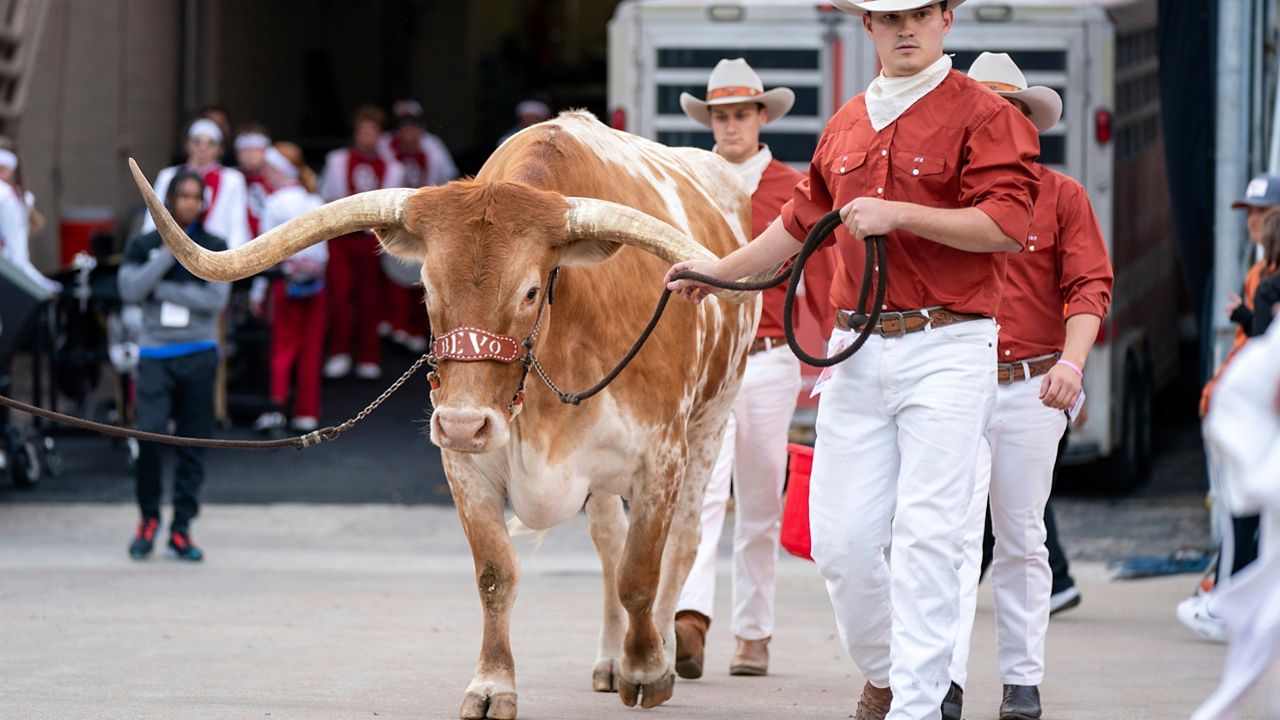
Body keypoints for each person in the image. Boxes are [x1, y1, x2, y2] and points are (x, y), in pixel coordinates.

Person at [666, 1, 1041, 717]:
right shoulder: (845, 122)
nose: (906, 28)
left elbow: (1005, 225)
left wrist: (898, 213)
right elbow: (793, 229)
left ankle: (917, 707)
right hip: (856, 348)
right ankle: (891, 672)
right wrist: (714, 272)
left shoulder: (986, 114)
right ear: (867, 26)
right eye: (889, 16)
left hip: (951, 344)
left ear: (945, 20)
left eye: (920, 13)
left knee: (929, 536)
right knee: (839, 544)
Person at [948, 52, 1113, 720]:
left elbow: (1088, 286)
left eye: (1006, 112)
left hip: (1030, 382)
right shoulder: (937, 196)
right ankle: (944, 682)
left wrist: (1070, 365)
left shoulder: (1063, 196)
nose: (994, 124)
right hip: (955, 382)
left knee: (1019, 537)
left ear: (1023, 122)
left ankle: (1021, 684)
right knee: (951, 538)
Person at [670, 57, 835, 680]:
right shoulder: (690, 183)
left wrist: (821, 358)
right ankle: (691, 618)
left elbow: (823, 276)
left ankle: (754, 634)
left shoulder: (795, 188)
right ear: (709, 120)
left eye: (741, 113)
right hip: (705, 363)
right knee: (703, 491)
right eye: (720, 114)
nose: (731, 124)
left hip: (769, 358)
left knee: (761, 498)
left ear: (762, 116)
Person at [1183, 173, 1280, 642]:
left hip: (1260, 417)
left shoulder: (1268, 282)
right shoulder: (1259, 274)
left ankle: (1227, 607)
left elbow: (1263, 350)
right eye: (1250, 214)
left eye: (1262, 214)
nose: (1253, 223)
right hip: (1256, 412)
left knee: (1243, 514)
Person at [119, 171, 230, 562]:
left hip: (198, 351)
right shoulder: (143, 244)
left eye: (195, 197)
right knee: (148, 438)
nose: (189, 203)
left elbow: (215, 300)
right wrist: (169, 255)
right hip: (154, 356)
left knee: (192, 444)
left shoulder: (215, 245)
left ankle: (181, 527)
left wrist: (158, 287)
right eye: (182, 196)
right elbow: (129, 290)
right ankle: (148, 519)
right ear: (167, 200)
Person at [318, 105, 405, 380]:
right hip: (342, 238)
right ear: (356, 134)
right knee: (340, 297)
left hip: (372, 239)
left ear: (380, 135)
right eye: (362, 131)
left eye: (372, 131)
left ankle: (368, 356)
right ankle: (339, 353)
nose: (367, 136)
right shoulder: (337, 160)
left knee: (370, 298)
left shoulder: (393, 167)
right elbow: (325, 197)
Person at [250, 144, 328, 434]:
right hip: (317, 286)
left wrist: (258, 294)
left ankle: (276, 410)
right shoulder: (315, 200)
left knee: (282, 348)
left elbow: (263, 253)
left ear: (279, 170)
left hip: (283, 284)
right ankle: (307, 412)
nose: (264, 174)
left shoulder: (274, 204)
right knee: (311, 347)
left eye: (268, 168)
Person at [376, 99, 458, 353]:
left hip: (428, 216)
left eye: (414, 128)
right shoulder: (384, 147)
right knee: (393, 268)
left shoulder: (433, 147)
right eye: (404, 128)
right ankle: (396, 323)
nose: (409, 134)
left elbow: (448, 178)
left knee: (425, 272)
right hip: (395, 215)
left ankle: (419, 329)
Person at [142, 118, 252, 250]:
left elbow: (238, 226)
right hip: (172, 249)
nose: (202, 147)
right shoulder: (168, 176)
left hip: (218, 251)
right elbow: (154, 216)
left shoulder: (233, 180)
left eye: (210, 143)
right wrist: (153, 249)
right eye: (197, 141)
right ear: (187, 144)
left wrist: (231, 259)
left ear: (220, 149)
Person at [0, 148, 59, 293]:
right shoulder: (7, 195)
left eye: (2, 169)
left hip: (11, 267)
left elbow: (17, 251)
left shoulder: (14, 197)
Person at [234, 123, 273, 237]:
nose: (251, 155)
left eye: (256, 149)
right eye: (245, 150)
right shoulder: (230, 180)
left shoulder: (276, 180)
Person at [1249, 211, 1280, 337]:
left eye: (1263, 211)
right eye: (1249, 213)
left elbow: (1262, 344)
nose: (1253, 221)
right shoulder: (1256, 273)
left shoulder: (1268, 289)